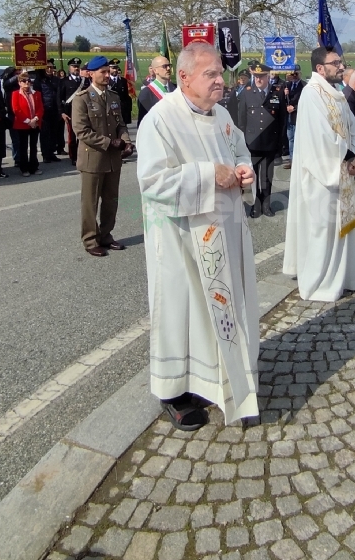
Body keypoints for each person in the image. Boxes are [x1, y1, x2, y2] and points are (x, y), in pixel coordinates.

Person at [136, 41, 259, 430]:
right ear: (184, 77)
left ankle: (216, 377)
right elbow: (152, 182)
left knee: (219, 313)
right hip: (181, 241)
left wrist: (243, 171)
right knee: (183, 312)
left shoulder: (221, 114)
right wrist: (209, 174)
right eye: (211, 75)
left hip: (225, 231)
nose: (220, 80)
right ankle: (172, 392)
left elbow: (239, 151)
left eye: (220, 73)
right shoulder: (160, 119)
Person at [283, 47, 355, 301]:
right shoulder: (312, 94)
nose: (341, 67)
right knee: (322, 229)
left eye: (341, 62)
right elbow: (321, 137)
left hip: (341, 168)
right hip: (320, 175)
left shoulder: (337, 94)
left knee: (341, 227)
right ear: (320, 68)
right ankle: (318, 282)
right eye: (336, 63)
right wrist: (350, 157)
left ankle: (343, 277)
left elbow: (353, 127)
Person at [71, 56, 132, 256]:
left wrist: (126, 141)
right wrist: (109, 143)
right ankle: (90, 240)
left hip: (113, 160)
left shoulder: (113, 97)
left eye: (108, 71)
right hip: (93, 159)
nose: (108, 75)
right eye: (103, 72)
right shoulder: (82, 99)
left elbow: (121, 124)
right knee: (90, 202)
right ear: (91, 74)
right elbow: (81, 131)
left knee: (111, 200)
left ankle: (106, 235)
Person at [235, 63, 284, 217]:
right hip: (252, 142)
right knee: (254, 176)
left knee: (267, 177)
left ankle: (266, 205)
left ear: (268, 76)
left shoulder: (277, 92)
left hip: (270, 142)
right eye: (256, 76)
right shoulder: (247, 93)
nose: (258, 79)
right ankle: (256, 205)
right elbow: (241, 119)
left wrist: (280, 145)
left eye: (261, 76)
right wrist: (242, 142)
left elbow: (282, 120)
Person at [10, 72, 44, 176]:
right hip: (22, 124)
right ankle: (24, 168)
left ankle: (34, 166)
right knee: (23, 146)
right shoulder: (15, 94)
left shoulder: (36, 93)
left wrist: (35, 119)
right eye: (24, 81)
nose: (27, 83)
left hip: (35, 123)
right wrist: (28, 121)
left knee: (33, 146)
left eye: (28, 81)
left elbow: (40, 108)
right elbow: (16, 109)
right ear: (19, 83)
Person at [58, 58, 85, 165]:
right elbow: (59, 98)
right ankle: (74, 157)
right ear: (69, 68)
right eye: (74, 66)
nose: (76, 68)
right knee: (72, 136)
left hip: (83, 112)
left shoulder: (84, 81)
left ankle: (82, 155)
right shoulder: (64, 81)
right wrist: (62, 112)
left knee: (83, 135)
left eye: (78, 66)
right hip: (70, 113)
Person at [137, 55, 177, 122]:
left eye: (169, 65)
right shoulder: (146, 93)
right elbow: (143, 122)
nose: (168, 68)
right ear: (155, 70)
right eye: (164, 66)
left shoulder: (176, 89)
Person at [281, 65, 304, 169]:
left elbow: (306, 102)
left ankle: (301, 161)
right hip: (289, 117)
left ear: (300, 73)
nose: (294, 76)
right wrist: (284, 94)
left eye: (296, 74)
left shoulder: (304, 85)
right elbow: (281, 101)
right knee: (291, 139)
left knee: (299, 139)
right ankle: (292, 160)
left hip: (299, 116)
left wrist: (294, 108)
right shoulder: (287, 85)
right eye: (292, 74)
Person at [107, 58, 133, 125]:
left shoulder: (123, 81)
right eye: (113, 68)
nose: (115, 70)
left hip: (121, 111)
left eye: (116, 68)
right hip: (110, 110)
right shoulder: (106, 80)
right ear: (109, 68)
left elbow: (125, 97)